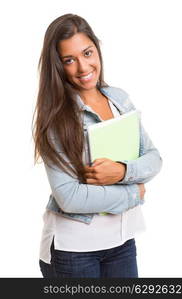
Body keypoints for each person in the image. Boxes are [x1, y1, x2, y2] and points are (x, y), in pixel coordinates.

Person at [32, 13, 162, 278]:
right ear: (58, 66)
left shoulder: (119, 99)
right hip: (74, 249)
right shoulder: (56, 117)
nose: (83, 67)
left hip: (122, 242)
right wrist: (132, 193)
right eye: (70, 60)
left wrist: (122, 171)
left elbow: (153, 158)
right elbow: (69, 197)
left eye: (87, 53)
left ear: (97, 49)